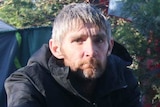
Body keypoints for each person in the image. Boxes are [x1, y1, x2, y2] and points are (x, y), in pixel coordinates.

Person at [5, 3, 142, 107]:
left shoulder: (122, 79)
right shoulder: (30, 83)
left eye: (98, 40)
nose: (91, 51)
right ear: (56, 49)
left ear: (109, 47)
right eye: (78, 41)